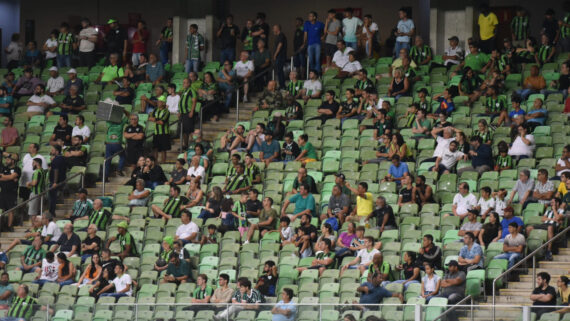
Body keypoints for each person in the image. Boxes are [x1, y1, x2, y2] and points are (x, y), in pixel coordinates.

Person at [0, 153, 21, 232]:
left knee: (10, 209)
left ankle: (9, 226)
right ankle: (1, 226)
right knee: (2, 209)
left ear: (13, 161)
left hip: (12, 192)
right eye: (6, 159)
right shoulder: (3, 168)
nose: (6, 160)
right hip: (3, 192)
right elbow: (9, 178)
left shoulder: (17, 169)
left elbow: (12, 176)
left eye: (8, 159)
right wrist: (9, 178)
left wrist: (5, 177)